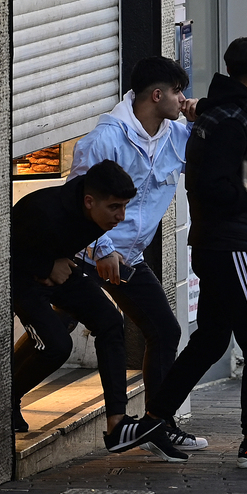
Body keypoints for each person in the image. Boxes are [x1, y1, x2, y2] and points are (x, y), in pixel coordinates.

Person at [133, 37, 247, 469]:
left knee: (209, 340)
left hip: (213, 244)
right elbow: (213, 184)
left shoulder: (220, 112)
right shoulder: (230, 119)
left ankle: (156, 418)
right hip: (232, 247)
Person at [67, 56, 208, 453]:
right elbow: (78, 199)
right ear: (157, 94)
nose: (184, 99)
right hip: (87, 253)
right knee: (56, 338)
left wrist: (202, 119)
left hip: (129, 257)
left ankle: (156, 426)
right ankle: (11, 400)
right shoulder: (107, 139)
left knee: (165, 330)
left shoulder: (175, 134)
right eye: (178, 92)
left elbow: (215, 151)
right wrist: (102, 248)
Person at [10, 159, 176, 456]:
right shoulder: (43, 211)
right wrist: (46, 266)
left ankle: (117, 424)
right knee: (56, 345)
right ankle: (6, 397)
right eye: (114, 207)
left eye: (125, 206)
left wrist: (100, 255)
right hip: (20, 276)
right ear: (89, 202)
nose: (121, 216)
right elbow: (2, 254)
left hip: (60, 267)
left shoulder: (93, 211)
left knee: (111, 321)